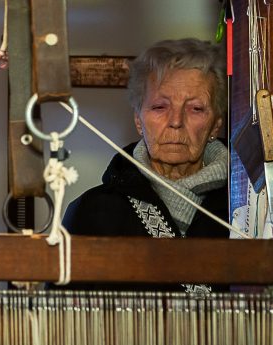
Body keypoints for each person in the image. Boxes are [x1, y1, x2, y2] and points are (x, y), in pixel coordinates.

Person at [62, 38, 228, 291]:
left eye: (195, 108)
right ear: (139, 121)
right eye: (160, 107)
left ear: (215, 124)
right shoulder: (93, 211)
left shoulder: (245, 205)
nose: (175, 121)